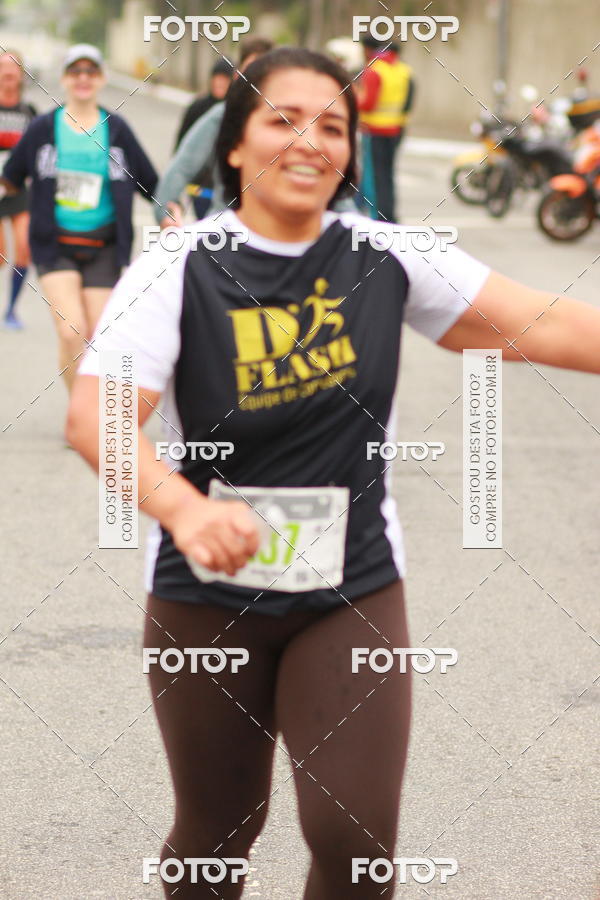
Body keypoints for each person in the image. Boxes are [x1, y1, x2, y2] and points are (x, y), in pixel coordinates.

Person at [66, 47, 600, 898]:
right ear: (235, 143)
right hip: (206, 593)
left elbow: (541, 323)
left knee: (356, 841)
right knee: (218, 832)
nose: (310, 141)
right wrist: (185, 511)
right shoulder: (178, 266)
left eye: (333, 126)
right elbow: (95, 417)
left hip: (350, 587)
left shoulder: (386, 255)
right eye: (283, 120)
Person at [0, 44, 158, 394]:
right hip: (55, 246)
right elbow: (10, 177)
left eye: (91, 72)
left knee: (99, 336)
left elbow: (151, 184)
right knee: (72, 331)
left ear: (101, 79)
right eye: (76, 72)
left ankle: (90, 409)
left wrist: (171, 211)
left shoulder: (117, 129)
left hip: (104, 247)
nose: (83, 79)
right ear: (65, 79)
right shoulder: (43, 128)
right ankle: (80, 412)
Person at [357, 36, 415, 222]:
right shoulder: (403, 70)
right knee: (387, 176)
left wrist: (353, 98)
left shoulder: (375, 70)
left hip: (374, 130)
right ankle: (388, 215)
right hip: (395, 129)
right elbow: (408, 101)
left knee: (373, 177)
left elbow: (368, 104)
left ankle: (378, 218)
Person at [0, 50, 37, 329]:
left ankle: (11, 310)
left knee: (24, 249)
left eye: (13, 68)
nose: (8, 72)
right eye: (2, 66)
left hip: (18, 189)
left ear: (21, 74)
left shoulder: (29, 113)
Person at [173, 58, 234, 219]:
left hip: (226, 186)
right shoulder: (197, 107)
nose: (220, 83)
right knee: (205, 225)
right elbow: (181, 143)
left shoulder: (236, 110)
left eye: (225, 78)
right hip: (199, 186)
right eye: (217, 77)